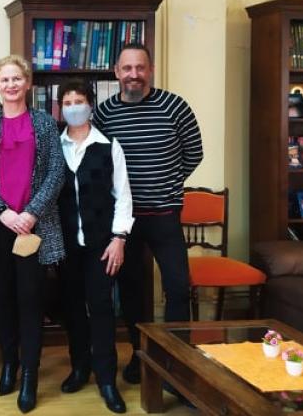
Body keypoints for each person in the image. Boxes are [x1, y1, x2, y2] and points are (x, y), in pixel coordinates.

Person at [93, 44, 203, 385]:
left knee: (177, 287)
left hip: (165, 214)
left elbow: (194, 153)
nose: (134, 75)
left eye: (140, 68)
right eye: (127, 68)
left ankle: (175, 360)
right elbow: (98, 162)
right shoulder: (105, 113)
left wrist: (167, 183)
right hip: (125, 221)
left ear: (150, 70)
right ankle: (141, 356)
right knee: (131, 293)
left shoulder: (175, 106)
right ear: (116, 72)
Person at [0, 56, 65, 413]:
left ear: (27, 83)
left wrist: (31, 212)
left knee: (31, 301)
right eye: (4, 80)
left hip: (34, 228)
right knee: (4, 301)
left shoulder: (45, 123)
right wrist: (3, 212)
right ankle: (10, 364)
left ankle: (30, 376)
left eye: (16, 78)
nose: (10, 85)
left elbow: (56, 172)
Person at [56, 81, 131, 414]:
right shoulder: (53, 146)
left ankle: (106, 379)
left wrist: (119, 238)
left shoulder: (108, 145)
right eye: (68, 102)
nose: (74, 107)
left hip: (102, 244)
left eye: (80, 101)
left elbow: (123, 195)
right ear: (60, 108)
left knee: (101, 308)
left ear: (91, 104)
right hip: (66, 244)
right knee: (73, 308)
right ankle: (79, 367)